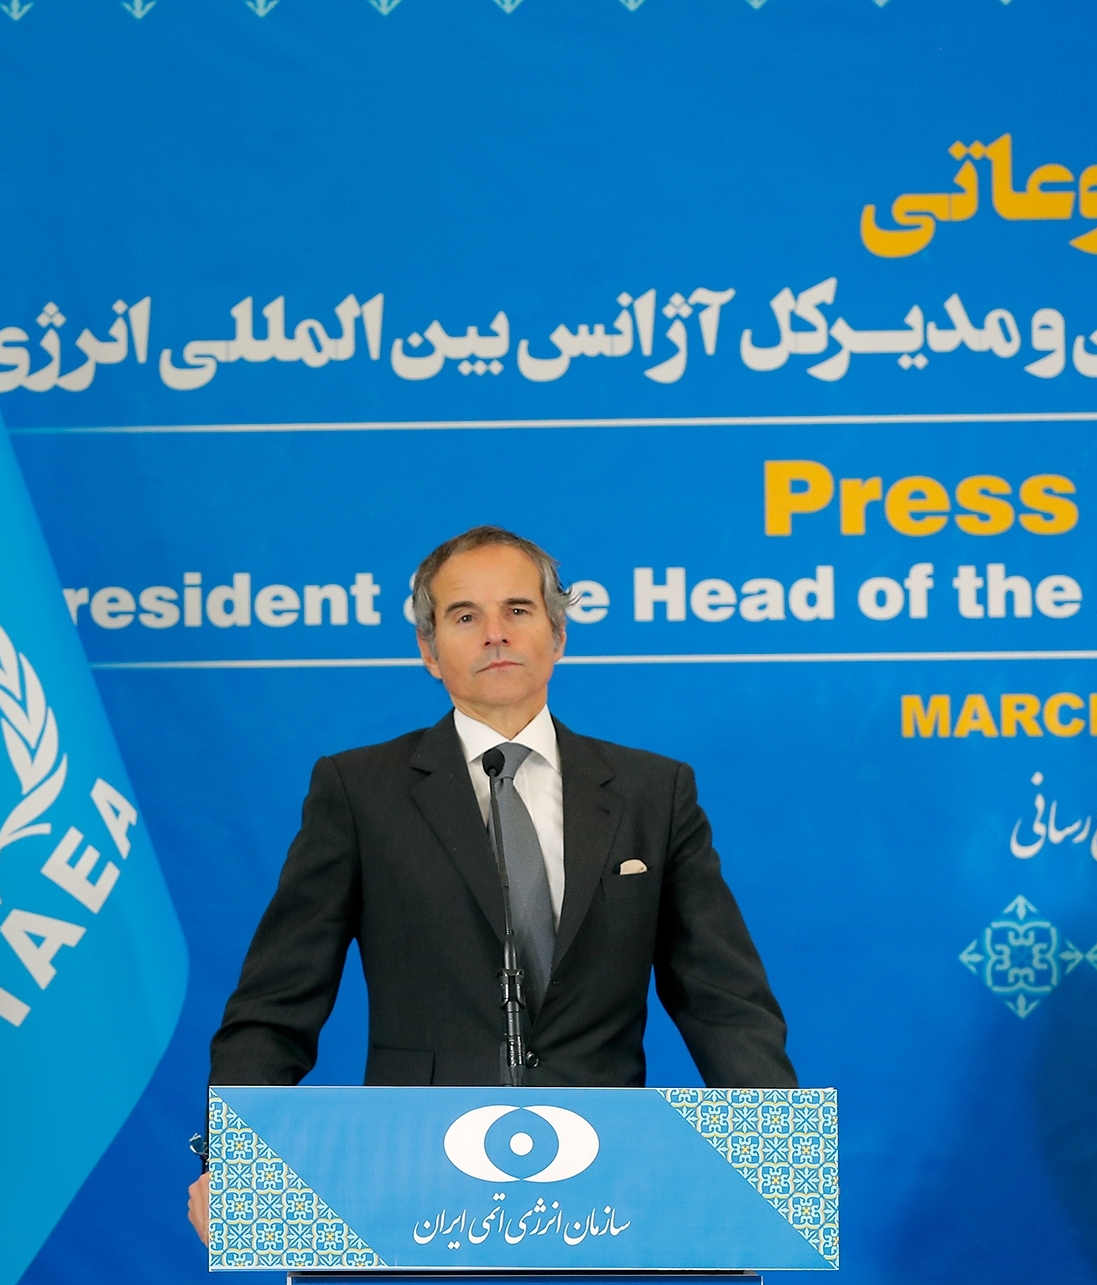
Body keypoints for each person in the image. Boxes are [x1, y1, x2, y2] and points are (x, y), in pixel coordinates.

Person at [186, 525, 795, 1239]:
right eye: (465, 615)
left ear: (558, 635)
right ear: (429, 650)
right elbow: (278, 1001)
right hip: (409, 1183)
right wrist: (235, 1159)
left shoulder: (653, 793)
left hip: (611, 1186)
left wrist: (775, 1157)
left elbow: (724, 1000)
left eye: (518, 609)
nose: (495, 634)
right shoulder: (359, 791)